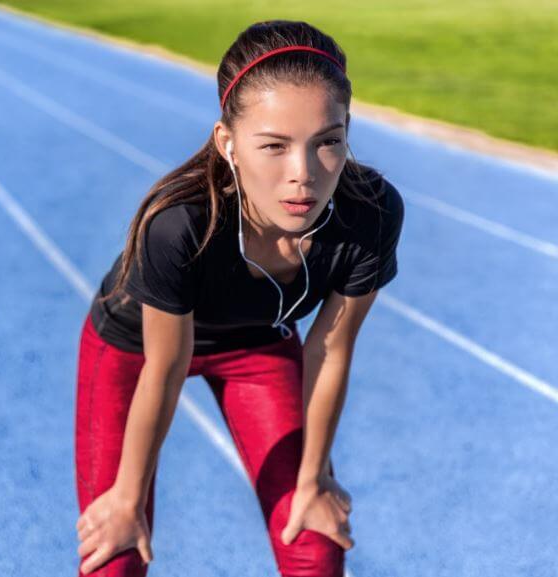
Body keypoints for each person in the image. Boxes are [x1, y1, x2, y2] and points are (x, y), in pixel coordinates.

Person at [74, 19, 405, 577]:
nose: (302, 175)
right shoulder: (178, 223)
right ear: (227, 142)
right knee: (115, 552)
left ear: (348, 132)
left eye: (328, 142)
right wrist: (128, 503)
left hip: (258, 346)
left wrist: (313, 478)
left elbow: (330, 349)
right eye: (274, 146)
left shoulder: (370, 213)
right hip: (139, 350)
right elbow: (166, 365)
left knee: (315, 540)